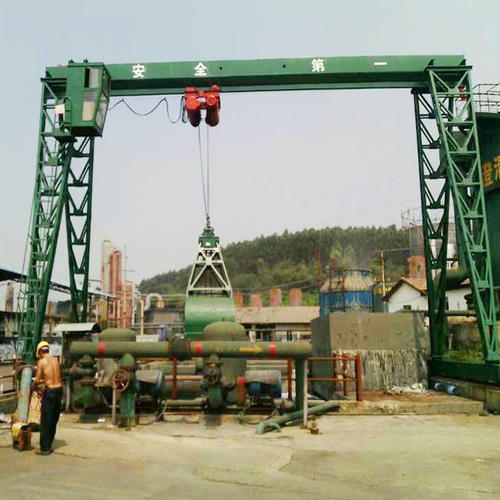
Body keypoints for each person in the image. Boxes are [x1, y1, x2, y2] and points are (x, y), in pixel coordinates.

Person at [33, 341, 62, 455]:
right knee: (54, 419)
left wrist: (35, 386)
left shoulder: (42, 362)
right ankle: (49, 444)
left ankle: (45, 448)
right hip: (59, 390)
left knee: (46, 420)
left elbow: (37, 379)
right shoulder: (56, 360)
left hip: (50, 392)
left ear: (40, 352)